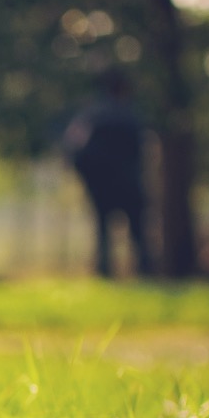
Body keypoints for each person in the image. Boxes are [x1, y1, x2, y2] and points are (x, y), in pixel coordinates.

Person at [64, 70, 155, 278]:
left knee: (103, 232)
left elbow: (73, 150)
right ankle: (145, 274)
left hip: (101, 187)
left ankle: (105, 272)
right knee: (138, 234)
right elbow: (144, 151)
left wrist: (89, 179)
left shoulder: (91, 116)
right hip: (130, 184)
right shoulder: (130, 115)